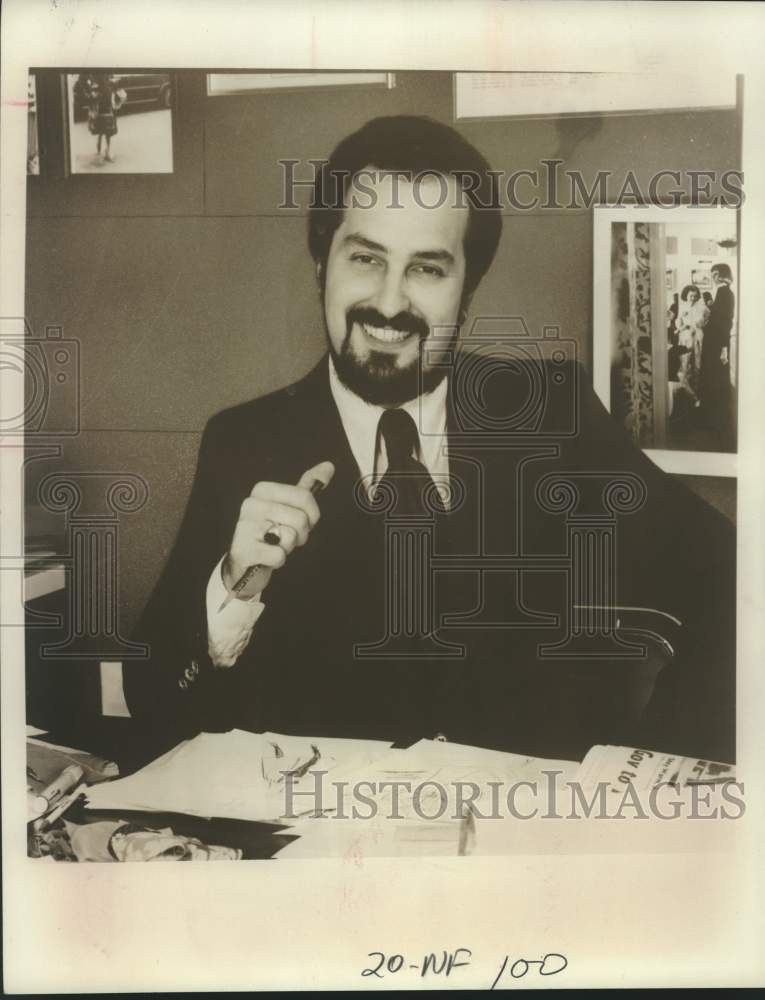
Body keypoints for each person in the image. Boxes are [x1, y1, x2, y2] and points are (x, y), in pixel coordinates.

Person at [123, 116, 735, 768]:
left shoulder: (550, 413)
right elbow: (154, 700)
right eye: (364, 258)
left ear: (467, 287)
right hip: (330, 848)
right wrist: (233, 592)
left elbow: (732, 578)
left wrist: (665, 765)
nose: (388, 303)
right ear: (321, 262)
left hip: (523, 844)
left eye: (427, 269)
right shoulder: (244, 442)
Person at [698, 263, 735, 442]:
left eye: (713, 274)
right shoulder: (722, 293)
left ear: (719, 275)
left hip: (716, 345)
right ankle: (713, 419)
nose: (711, 277)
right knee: (713, 378)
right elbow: (719, 319)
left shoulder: (725, 293)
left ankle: (716, 422)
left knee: (715, 379)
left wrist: (723, 348)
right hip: (714, 343)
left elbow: (725, 324)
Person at [675, 283, 709, 406]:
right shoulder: (683, 307)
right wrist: (680, 320)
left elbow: (708, 319)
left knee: (697, 365)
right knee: (684, 366)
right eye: (690, 296)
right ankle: (688, 394)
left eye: (695, 296)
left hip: (698, 338)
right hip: (685, 337)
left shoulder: (703, 308)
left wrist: (700, 327)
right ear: (686, 295)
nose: (693, 298)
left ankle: (697, 392)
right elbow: (677, 324)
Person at [87, 74, 124, 165]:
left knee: (101, 131)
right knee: (107, 133)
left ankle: (100, 150)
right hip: (106, 112)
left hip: (101, 112)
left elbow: (93, 98)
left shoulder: (97, 86)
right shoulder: (109, 87)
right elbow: (120, 98)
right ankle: (106, 152)